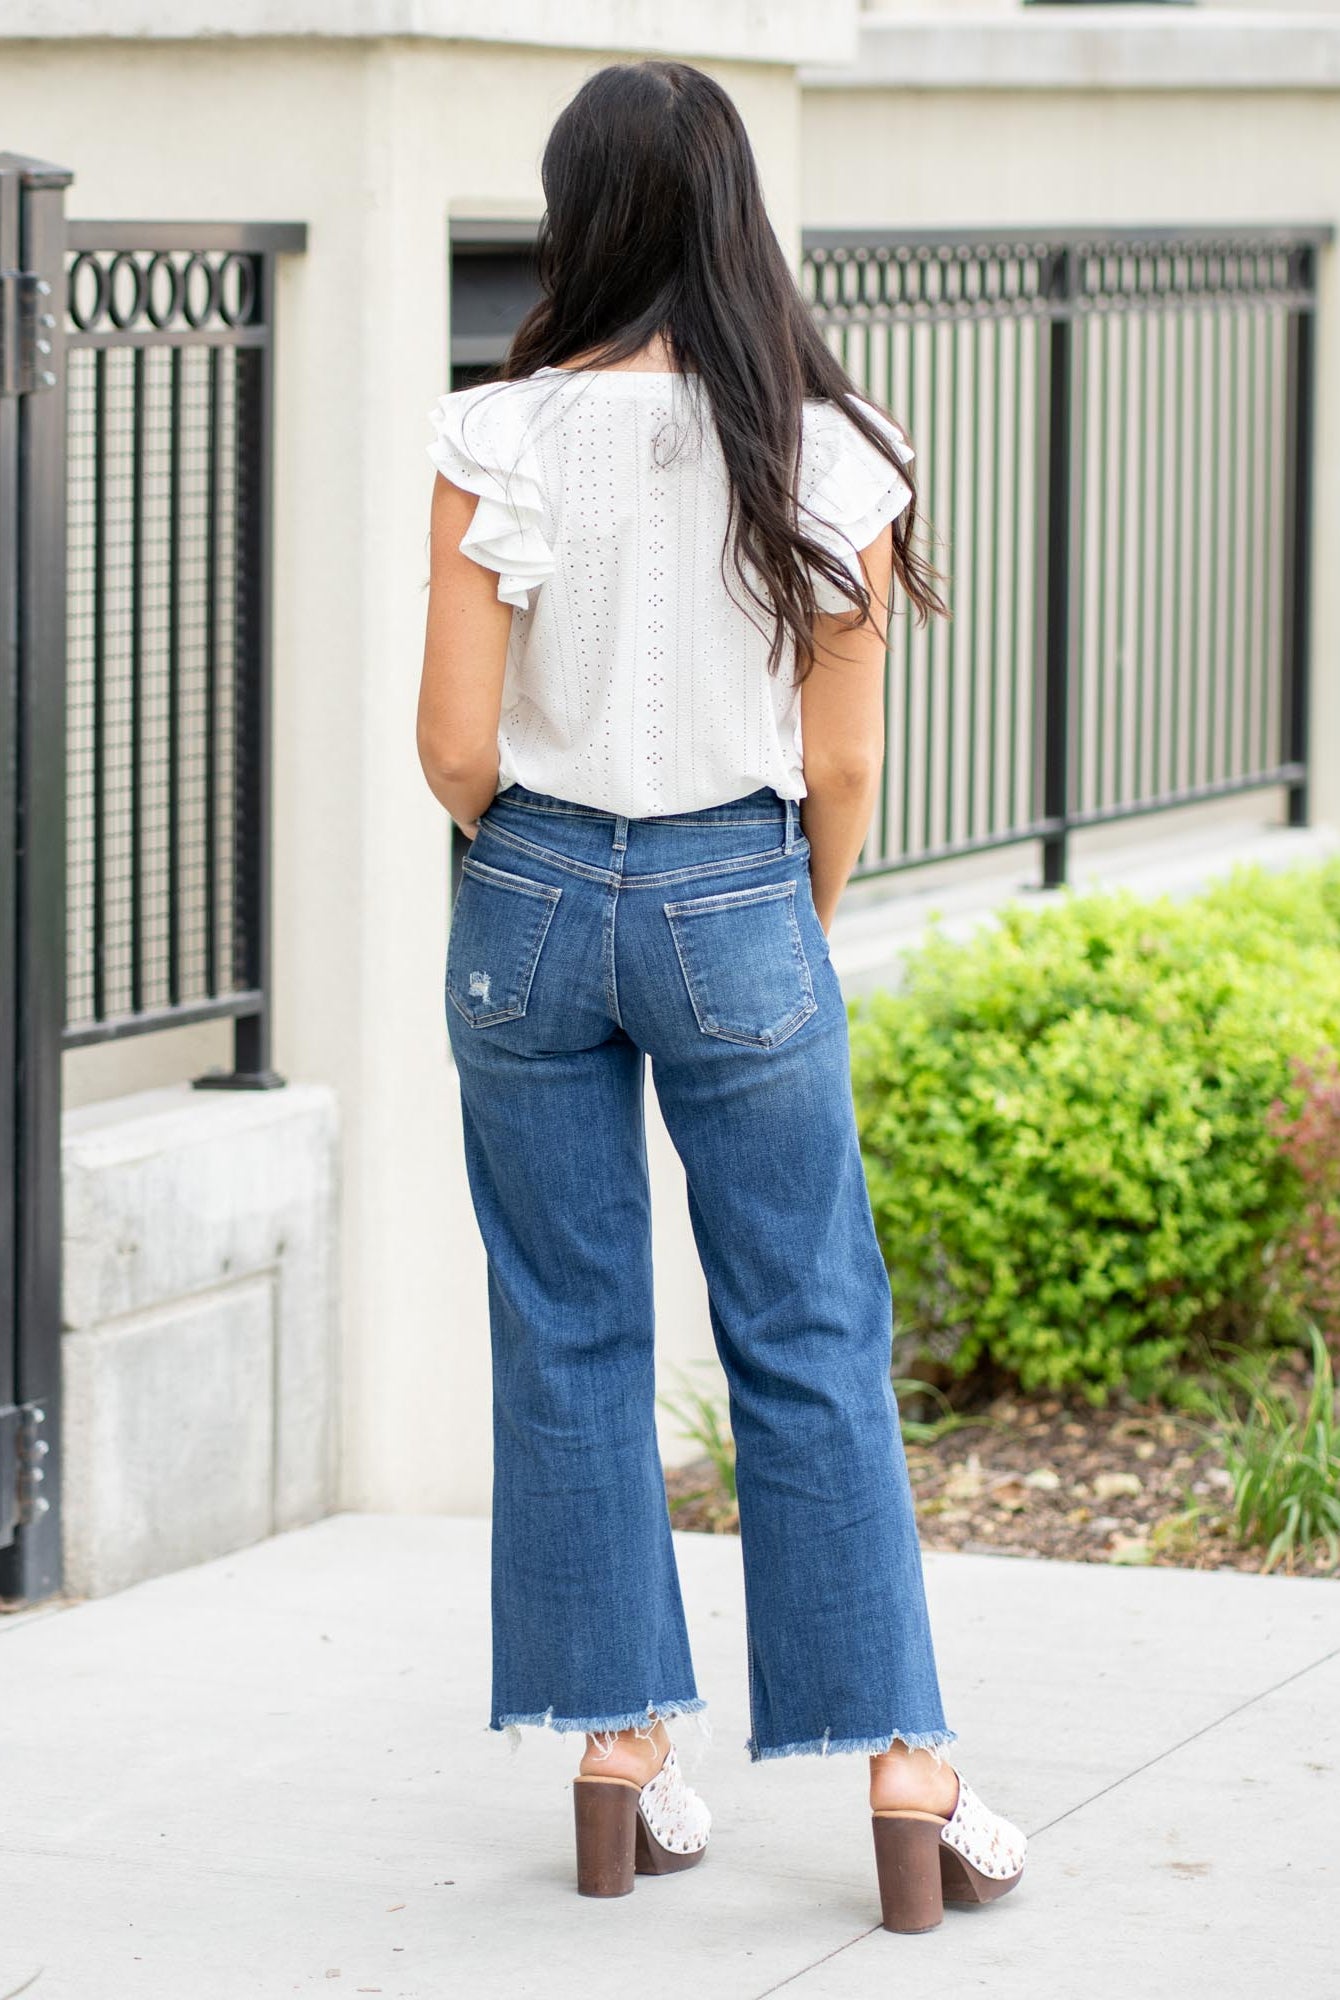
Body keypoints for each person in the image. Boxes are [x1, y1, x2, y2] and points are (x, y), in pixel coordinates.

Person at [416, 58, 1027, 1933]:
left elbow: (453, 750)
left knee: (568, 1326)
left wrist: (541, 860)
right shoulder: (834, 450)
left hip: (526, 895)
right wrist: (785, 922)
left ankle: (619, 1751)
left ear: (579, 218)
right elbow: (841, 769)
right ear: (736, 220)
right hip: (739, 895)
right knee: (810, 1328)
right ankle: (905, 1775)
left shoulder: (495, 435)